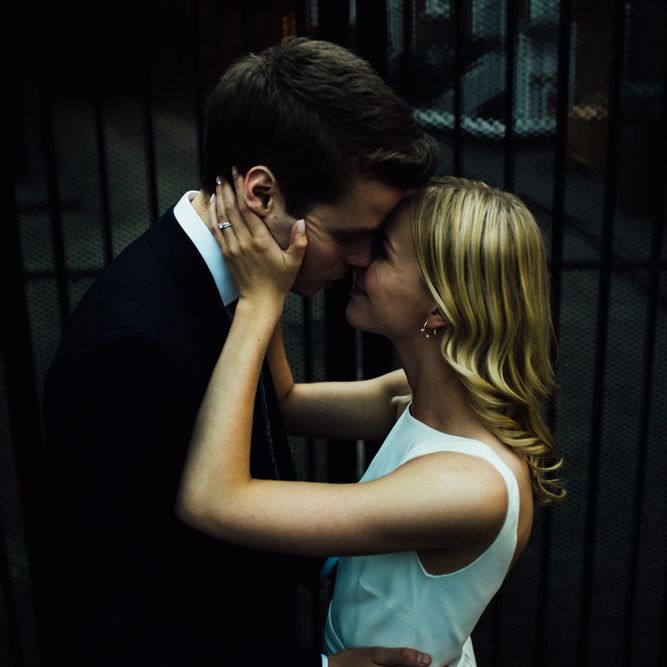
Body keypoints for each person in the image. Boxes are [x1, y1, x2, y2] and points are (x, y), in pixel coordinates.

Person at [42, 38, 438, 666]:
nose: (364, 258)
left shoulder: (241, 285)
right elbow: (109, 628)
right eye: (351, 234)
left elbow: (268, 428)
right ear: (261, 194)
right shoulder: (131, 347)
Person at [177, 174, 567, 667]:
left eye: (382, 251)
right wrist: (267, 263)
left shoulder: (467, 486)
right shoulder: (416, 395)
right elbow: (287, 402)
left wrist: (259, 302)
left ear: (439, 309)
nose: (358, 258)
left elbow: (213, 500)